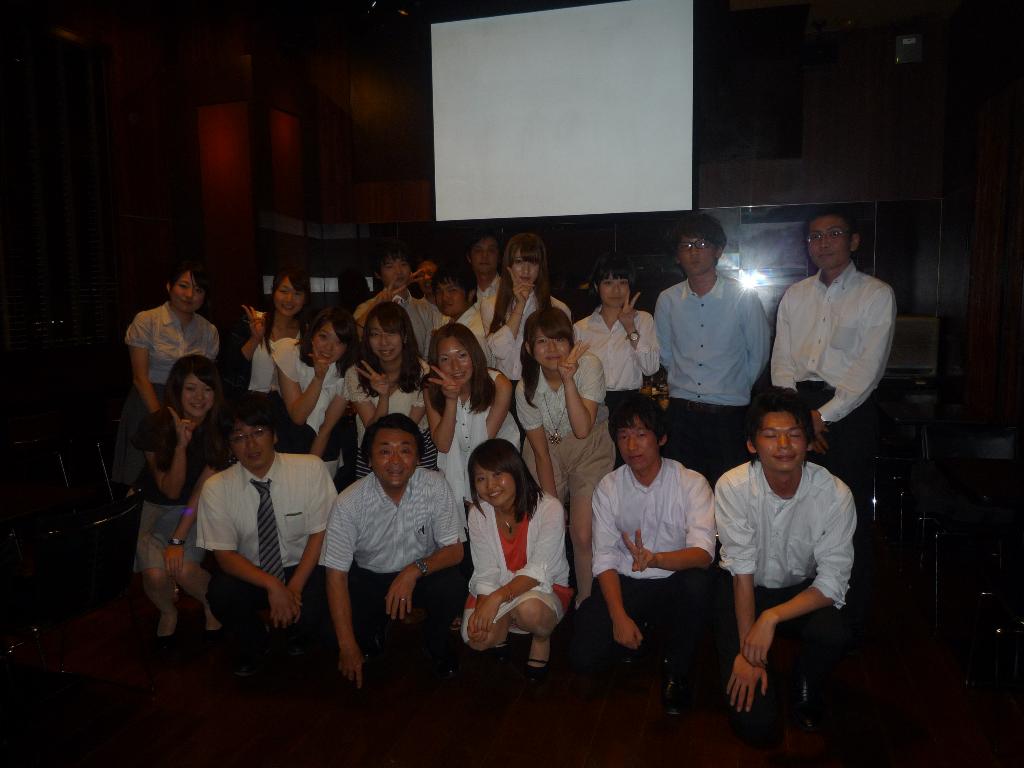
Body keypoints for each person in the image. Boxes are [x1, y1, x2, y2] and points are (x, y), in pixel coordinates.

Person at [770, 208, 895, 636]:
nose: (822, 243)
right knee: (795, 510)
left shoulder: (875, 294)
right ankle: (798, 611)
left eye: (833, 234)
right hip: (796, 409)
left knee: (847, 513)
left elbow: (868, 370)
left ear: (854, 241)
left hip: (848, 413)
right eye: (815, 236)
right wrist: (796, 417)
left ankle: (850, 619)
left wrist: (821, 417)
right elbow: (782, 360)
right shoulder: (795, 295)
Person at [713, 387, 855, 743]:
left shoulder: (835, 494)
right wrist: (748, 655)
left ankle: (806, 682)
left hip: (800, 591)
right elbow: (741, 572)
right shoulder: (733, 486)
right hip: (745, 588)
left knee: (835, 631)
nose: (783, 445)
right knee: (758, 728)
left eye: (794, 434)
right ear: (752, 445)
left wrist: (771, 617)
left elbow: (832, 582)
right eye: (770, 435)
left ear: (808, 442)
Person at [570, 394, 715, 715]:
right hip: (628, 580)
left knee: (698, 584)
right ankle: (638, 630)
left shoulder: (691, 483)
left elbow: (704, 553)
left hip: (674, 578)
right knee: (583, 657)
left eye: (640, 434)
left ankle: (676, 670)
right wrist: (618, 617)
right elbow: (604, 558)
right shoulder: (609, 486)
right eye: (623, 436)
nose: (631, 445)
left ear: (661, 438)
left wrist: (657, 559)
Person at [322, 414, 466, 687]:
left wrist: (413, 571)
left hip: (421, 573)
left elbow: (455, 550)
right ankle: (375, 628)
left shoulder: (435, 485)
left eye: (405, 450)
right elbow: (335, 575)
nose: (396, 461)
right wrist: (347, 645)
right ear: (369, 459)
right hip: (370, 577)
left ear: (418, 457)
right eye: (385, 451)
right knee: (331, 636)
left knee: (452, 586)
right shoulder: (348, 502)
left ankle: (435, 641)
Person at [198, 393, 336, 676]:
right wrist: (273, 585)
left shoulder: (310, 468)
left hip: (303, 566)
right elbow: (224, 556)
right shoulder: (216, 487)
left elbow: (320, 533)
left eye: (258, 432)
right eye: (239, 437)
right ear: (229, 445)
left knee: (319, 608)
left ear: (274, 435)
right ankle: (254, 641)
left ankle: (300, 631)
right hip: (253, 572)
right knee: (221, 592)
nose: (251, 444)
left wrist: (293, 588)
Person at [654, 213, 770, 487]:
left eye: (702, 244)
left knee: (730, 492)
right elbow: (665, 354)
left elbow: (759, 354)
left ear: (718, 250)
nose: (694, 252)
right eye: (686, 245)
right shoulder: (668, 300)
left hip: (729, 416)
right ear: (677, 255)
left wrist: (731, 386)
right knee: (684, 494)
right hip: (681, 415)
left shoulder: (743, 297)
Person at [516, 308, 614, 603]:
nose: (552, 348)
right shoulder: (525, 388)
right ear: (529, 348)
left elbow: (583, 429)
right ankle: (547, 597)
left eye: (559, 339)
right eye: (542, 341)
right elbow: (540, 453)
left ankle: (586, 599)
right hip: (546, 449)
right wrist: (554, 508)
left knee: (582, 533)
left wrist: (569, 380)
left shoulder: (589, 365)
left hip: (590, 447)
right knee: (546, 527)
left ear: (571, 342)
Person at [133, 355, 231, 647]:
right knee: (155, 575)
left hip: (193, 510)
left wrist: (177, 541)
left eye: (207, 389)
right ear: (177, 390)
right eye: (191, 388)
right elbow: (169, 490)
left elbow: (197, 493)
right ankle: (168, 610)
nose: (199, 397)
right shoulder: (155, 425)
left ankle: (212, 603)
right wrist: (180, 446)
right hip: (151, 508)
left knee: (184, 570)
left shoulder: (220, 429)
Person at [462, 438, 571, 681]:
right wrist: (485, 604)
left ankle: (541, 638)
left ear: (515, 471)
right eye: (481, 478)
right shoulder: (478, 513)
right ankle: (505, 623)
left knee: (529, 610)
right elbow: (485, 569)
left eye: (497, 474)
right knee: (475, 638)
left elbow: (539, 570)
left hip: (542, 588)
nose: (490, 486)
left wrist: (497, 599)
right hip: (499, 587)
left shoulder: (549, 508)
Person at [113, 261, 219, 486]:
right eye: (183, 286)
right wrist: (161, 418)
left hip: (190, 404)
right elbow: (140, 378)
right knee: (142, 477)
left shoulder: (208, 330)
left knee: (183, 476)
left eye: (198, 290)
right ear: (169, 286)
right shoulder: (147, 320)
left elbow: (205, 380)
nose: (190, 295)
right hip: (149, 399)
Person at [425, 323, 518, 515]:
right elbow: (443, 445)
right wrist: (451, 400)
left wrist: (472, 493)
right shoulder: (431, 388)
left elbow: (483, 444)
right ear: (436, 363)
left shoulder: (499, 385)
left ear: (473, 355)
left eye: (462, 355)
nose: (455, 367)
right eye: (445, 359)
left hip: (498, 467)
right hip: (453, 471)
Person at [346, 302, 435, 477]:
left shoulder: (423, 372)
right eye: (375, 334)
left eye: (391, 333)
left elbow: (409, 430)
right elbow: (372, 431)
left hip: (414, 452)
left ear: (405, 336)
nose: (383, 342)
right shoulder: (357, 372)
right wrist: (384, 396)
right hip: (372, 453)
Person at [274, 307, 359, 473]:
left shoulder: (348, 373)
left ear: (347, 347)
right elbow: (298, 416)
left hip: (322, 446)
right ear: (312, 334)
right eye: (323, 337)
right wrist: (318, 379)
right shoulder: (289, 353)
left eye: (339, 342)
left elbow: (325, 429)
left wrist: (311, 472)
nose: (329, 347)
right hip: (284, 436)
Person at [574, 253, 660, 416]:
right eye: (608, 283)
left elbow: (650, 368)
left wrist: (630, 328)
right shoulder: (581, 328)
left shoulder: (643, 319)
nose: (616, 290)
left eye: (623, 282)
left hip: (631, 403)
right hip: (591, 404)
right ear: (596, 286)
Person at [481, 233, 571, 385]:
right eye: (519, 262)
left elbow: (563, 355)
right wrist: (520, 305)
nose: (526, 270)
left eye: (533, 263)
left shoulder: (558, 308)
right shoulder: (490, 305)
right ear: (508, 265)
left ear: (540, 267)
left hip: (541, 386)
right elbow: (499, 351)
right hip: (502, 386)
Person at [219, 267, 310, 401]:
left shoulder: (307, 332)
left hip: (288, 407)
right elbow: (230, 366)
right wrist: (255, 338)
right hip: (248, 405)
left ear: (305, 298)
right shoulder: (252, 320)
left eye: (297, 293)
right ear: (273, 292)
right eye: (284, 291)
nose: (289, 299)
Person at [354, 239, 443, 357]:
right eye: (389, 266)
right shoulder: (365, 308)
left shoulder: (426, 309)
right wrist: (375, 307)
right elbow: (352, 343)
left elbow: (429, 356)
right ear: (377, 274)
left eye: (403, 264)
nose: (399, 271)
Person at [432, 260, 493, 365]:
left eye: (452, 290)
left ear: (470, 294)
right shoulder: (445, 320)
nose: (444, 297)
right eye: (439, 291)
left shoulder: (476, 332)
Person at [465, 228, 501, 306]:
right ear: (469, 257)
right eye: (478, 250)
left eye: (491, 250)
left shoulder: (510, 290)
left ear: (499, 257)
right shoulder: (462, 293)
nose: (484, 255)